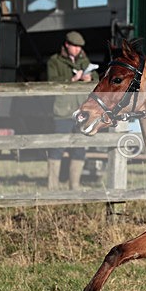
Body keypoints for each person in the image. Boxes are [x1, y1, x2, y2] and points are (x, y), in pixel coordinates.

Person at [46, 30, 98, 190]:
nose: (77, 49)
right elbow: (51, 82)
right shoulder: (54, 61)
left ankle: (74, 185)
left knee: (80, 149)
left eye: (79, 47)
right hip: (62, 111)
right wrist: (72, 80)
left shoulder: (85, 61)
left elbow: (97, 80)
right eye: (74, 46)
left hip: (81, 112)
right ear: (67, 45)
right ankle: (52, 186)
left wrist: (90, 79)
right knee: (57, 148)